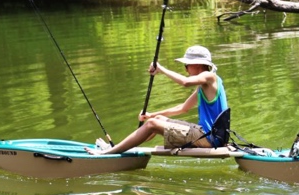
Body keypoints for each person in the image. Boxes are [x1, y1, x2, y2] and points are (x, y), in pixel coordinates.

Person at [85, 45, 228, 155]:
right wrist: (151, 115)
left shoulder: (210, 77)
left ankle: (109, 152)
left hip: (210, 139)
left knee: (152, 125)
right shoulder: (203, 86)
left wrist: (160, 69)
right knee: (157, 119)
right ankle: (122, 148)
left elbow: (185, 82)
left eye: (186, 65)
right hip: (205, 134)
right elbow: (182, 108)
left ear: (197, 64)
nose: (186, 69)